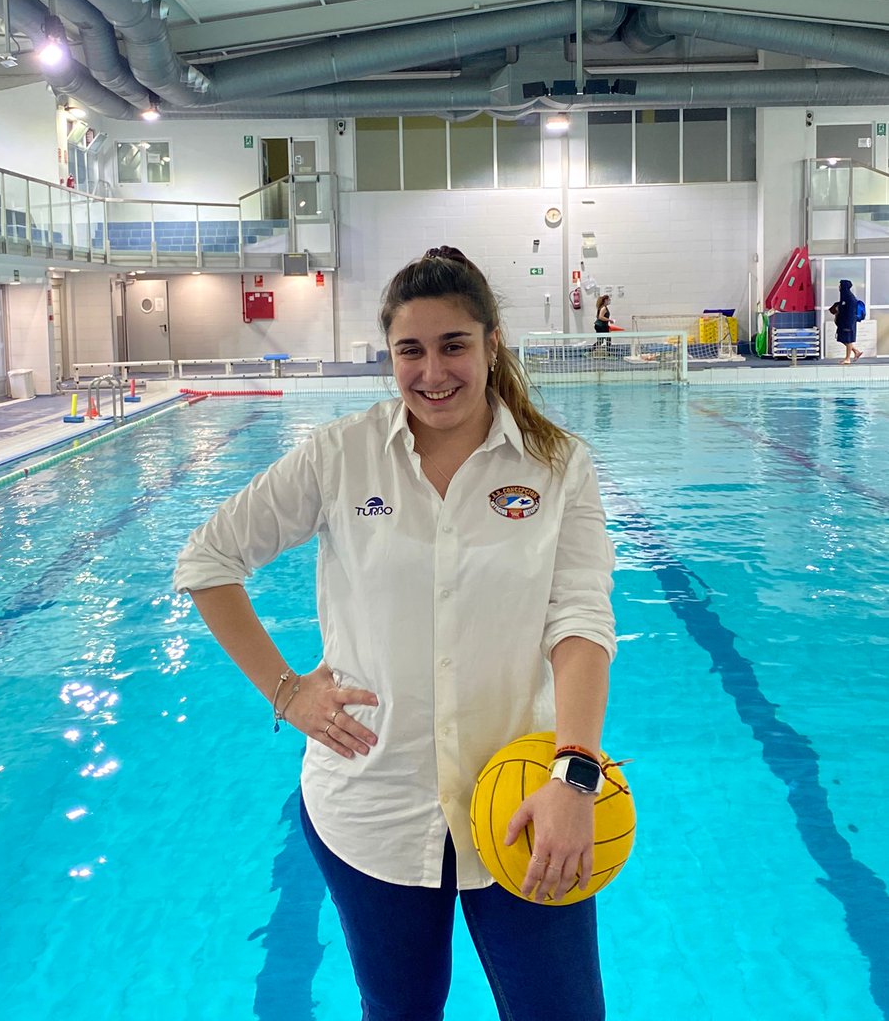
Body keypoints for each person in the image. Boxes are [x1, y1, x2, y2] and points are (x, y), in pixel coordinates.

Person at [173, 245, 616, 1021]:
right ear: (389, 354)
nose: (432, 372)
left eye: (454, 346)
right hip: (370, 809)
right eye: (410, 350)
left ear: (492, 344)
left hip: (524, 805)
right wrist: (286, 691)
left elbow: (579, 620)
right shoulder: (340, 456)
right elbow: (209, 560)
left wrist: (575, 774)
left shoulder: (557, 466)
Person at [829, 278, 862, 363]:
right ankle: (856, 351)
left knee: (848, 339)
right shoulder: (844, 297)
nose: (839, 287)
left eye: (840, 286)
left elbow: (851, 313)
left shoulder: (850, 298)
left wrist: (848, 325)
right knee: (842, 338)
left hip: (848, 323)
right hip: (843, 322)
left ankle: (847, 359)